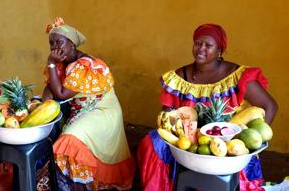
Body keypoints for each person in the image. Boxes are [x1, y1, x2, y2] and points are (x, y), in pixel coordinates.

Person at [137, 23, 278, 190]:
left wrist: (254, 140)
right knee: (153, 141)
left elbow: (270, 106)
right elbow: (166, 114)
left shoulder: (236, 77)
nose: (201, 49)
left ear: (219, 51)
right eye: (197, 43)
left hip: (228, 141)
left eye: (208, 45)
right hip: (188, 143)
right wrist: (173, 124)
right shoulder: (179, 78)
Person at [43, 17, 135, 190]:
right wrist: (42, 104)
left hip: (102, 111)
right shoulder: (62, 64)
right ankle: (72, 184)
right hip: (83, 110)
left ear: (72, 44)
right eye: (52, 43)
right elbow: (50, 90)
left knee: (71, 139)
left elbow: (61, 94)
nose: (56, 47)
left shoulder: (86, 66)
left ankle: (77, 186)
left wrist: (50, 64)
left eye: (60, 42)